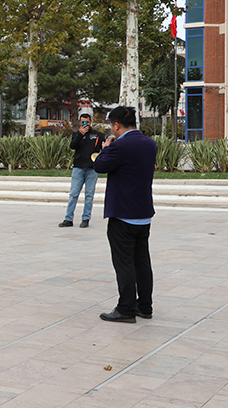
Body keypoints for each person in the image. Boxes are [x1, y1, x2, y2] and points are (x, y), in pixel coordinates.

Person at [93, 106, 157, 324]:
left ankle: (126, 309)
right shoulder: (150, 144)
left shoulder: (119, 146)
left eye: (112, 126)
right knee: (142, 261)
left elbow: (99, 165)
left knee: (124, 263)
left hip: (122, 214)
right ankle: (145, 306)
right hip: (143, 213)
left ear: (116, 125)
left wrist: (106, 148)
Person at [59, 113, 104, 228]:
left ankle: (86, 219)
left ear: (91, 121)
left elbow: (103, 150)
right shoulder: (76, 134)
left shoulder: (98, 135)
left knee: (89, 195)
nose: (85, 124)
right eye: (83, 122)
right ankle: (68, 219)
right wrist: (80, 134)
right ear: (80, 122)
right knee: (73, 194)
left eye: (87, 122)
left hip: (92, 169)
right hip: (78, 167)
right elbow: (72, 146)